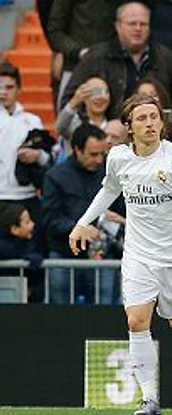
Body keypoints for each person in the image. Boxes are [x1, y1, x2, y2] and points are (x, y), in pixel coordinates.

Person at [69, 93, 172, 415]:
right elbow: (109, 190)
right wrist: (82, 223)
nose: (150, 123)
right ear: (129, 127)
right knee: (137, 321)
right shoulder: (119, 158)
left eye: (154, 116)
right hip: (138, 254)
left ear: (162, 122)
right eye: (142, 118)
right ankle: (149, 397)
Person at [62, 3, 172, 123]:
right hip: (107, 139)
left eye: (143, 24)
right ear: (118, 26)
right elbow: (69, 100)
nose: (138, 28)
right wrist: (95, 128)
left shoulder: (166, 58)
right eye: (132, 23)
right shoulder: (95, 57)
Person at [42, 124, 119, 305]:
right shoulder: (55, 176)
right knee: (60, 318)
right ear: (77, 149)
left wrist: (121, 220)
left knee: (104, 316)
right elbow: (50, 220)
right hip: (64, 255)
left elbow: (123, 209)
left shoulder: (110, 175)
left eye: (103, 154)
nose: (100, 160)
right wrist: (78, 228)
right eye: (93, 154)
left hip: (102, 255)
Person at [0, 62, 49, 238]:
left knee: (34, 254)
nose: (4, 91)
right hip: (1, 196)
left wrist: (37, 155)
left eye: (9, 87)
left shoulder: (32, 120)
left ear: (19, 89)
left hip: (28, 195)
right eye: (0, 87)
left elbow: (47, 158)